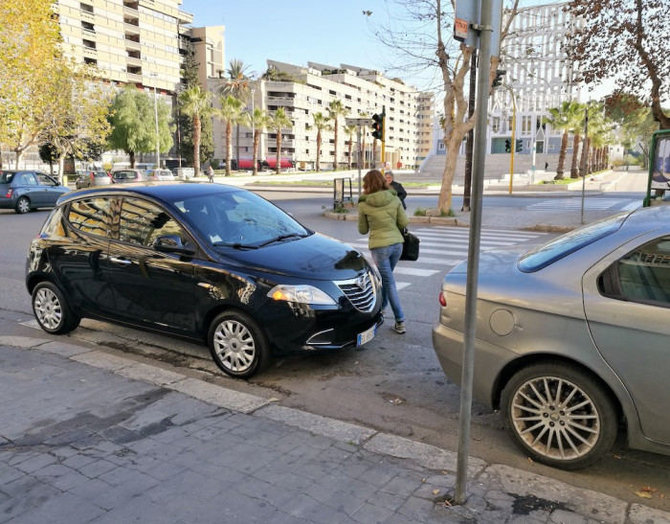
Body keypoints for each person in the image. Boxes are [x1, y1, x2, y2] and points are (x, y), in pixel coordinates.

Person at [358, 169, 408, 334]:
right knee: (388, 279)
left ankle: (400, 320)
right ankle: (383, 308)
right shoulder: (394, 198)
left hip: (379, 247)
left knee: (389, 282)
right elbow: (403, 222)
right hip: (397, 246)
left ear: (367, 184)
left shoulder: (364, 204)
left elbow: (363, 230)